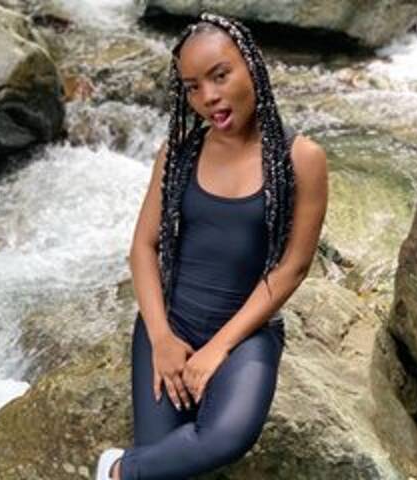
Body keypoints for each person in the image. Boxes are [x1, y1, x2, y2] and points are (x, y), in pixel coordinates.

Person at [96, 11, 328, 480]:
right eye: (192, 87)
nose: (208, 97)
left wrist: (218, 349)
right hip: (172, 322)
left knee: (226, 437)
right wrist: (161, 339)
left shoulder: (301, 159)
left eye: (220, 76)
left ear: (252, 66)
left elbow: (292, 268)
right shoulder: (179, 153)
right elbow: (143, 247)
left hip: (247, 334)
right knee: (168, 466)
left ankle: (117, 471)